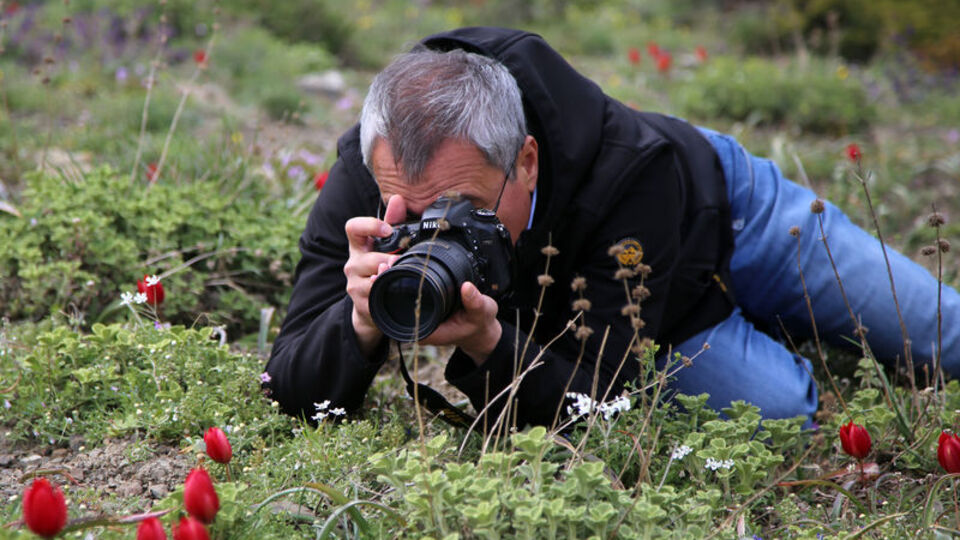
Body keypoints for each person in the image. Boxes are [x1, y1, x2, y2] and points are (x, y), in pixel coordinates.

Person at [264, 27, 960, 428]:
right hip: (618, 306)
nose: (428, 227)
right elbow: (288, 380)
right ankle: (784, 335)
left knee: (936, 328)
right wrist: (360, 321)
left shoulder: (631, 169)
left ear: (526, 161)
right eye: (410, 213)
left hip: (731, 214)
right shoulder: (374, 173)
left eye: (460, 207)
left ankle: (778, 305)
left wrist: (493, 342)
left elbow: (600, 391)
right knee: (781, 412)